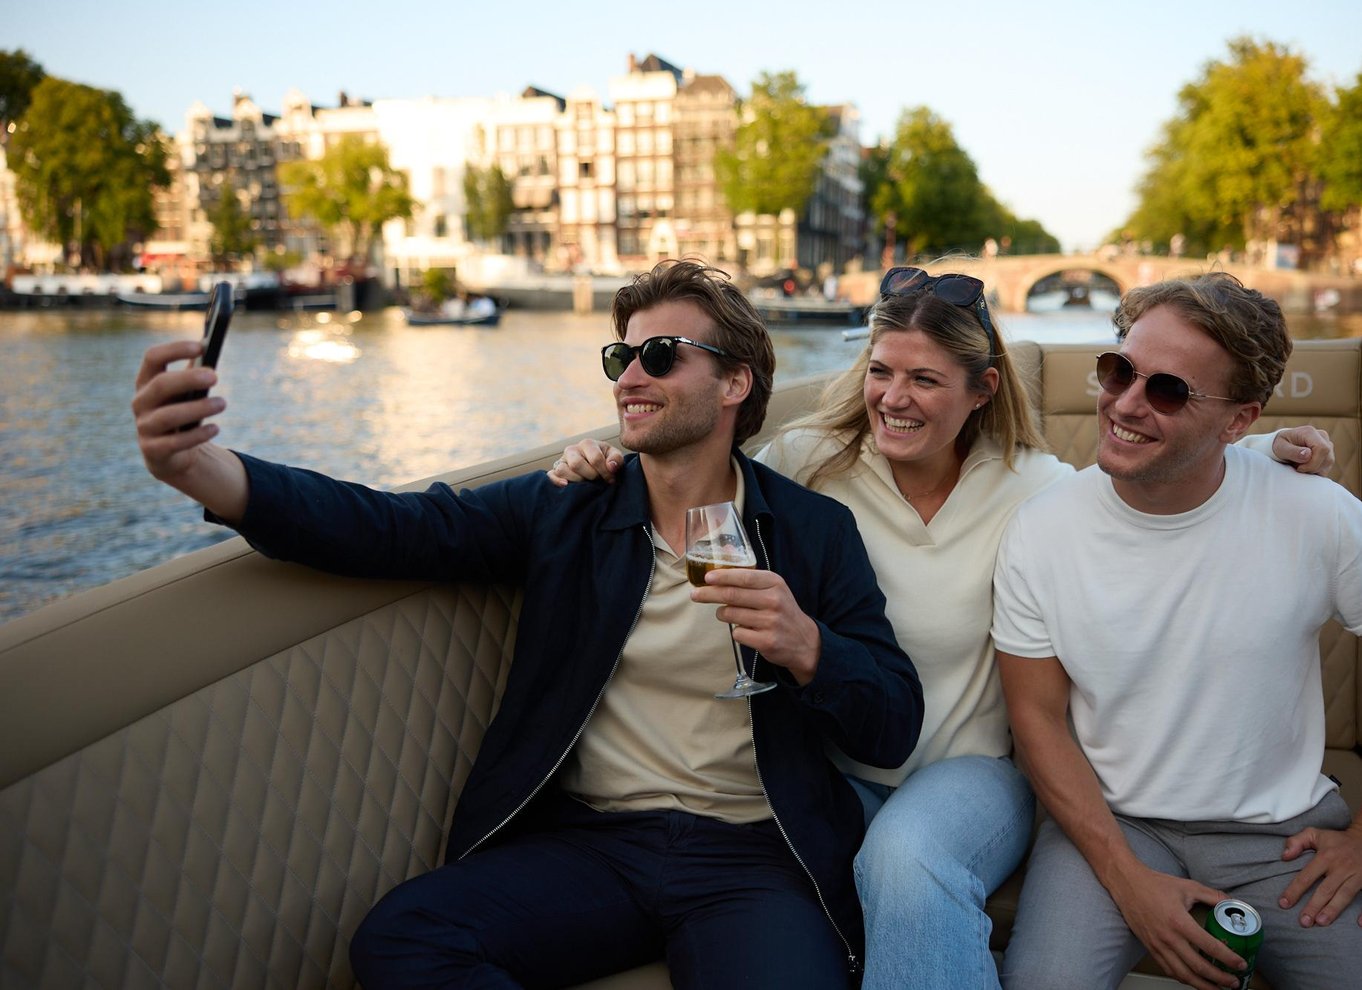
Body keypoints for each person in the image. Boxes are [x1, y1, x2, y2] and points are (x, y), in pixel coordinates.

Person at [131, 258, 923, 989]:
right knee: (403, 940)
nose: (630, 378)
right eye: (620, 357)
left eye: (660, 356)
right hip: (594, 847)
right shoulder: (568, 508)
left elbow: (891, 724)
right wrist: (211, 473)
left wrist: (810, 649)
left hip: (752, 857)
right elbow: (396, 528)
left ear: (734, 383)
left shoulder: (812, 532)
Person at [548, 266, 1334, 989]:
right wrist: (604, 463)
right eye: (880, 372)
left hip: (969, 773)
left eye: (925, 379)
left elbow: (1144, 475)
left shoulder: (1035, 488)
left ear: (983, 389)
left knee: (907, 853)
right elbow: (697, 470)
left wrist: (1259, 451)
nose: (894, 398)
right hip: (826, 768)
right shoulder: (807, 462)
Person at [993, 272, 1362, 990]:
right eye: (1118, 370)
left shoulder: (1317, 514)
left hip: (1283, 836)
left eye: (1168, 390)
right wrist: (1126, 878)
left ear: (1238, 421)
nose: (1126, 404)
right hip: (1112, 825)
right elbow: (1036, 719)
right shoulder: (1041, 531)